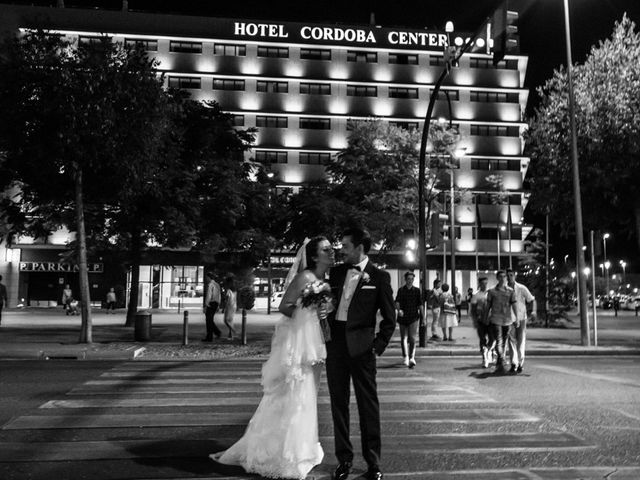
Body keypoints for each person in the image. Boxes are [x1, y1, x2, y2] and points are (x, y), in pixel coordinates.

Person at [211, 236, 335, 479]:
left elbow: (326, 309)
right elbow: (285, 306)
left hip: (314, 343)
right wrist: (307, 310)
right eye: (326, 249)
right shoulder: (305, 278)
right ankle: (284, 453)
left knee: (310, 394)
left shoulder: (323, 280)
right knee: (294, 395)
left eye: (331, 248)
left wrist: (324, 308)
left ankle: (305, 446)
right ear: (314, 256)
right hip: (299, 345)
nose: (332, 252)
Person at [326, 227, 396, 480]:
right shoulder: (335, 273)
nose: (341, 249)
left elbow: (390, 318)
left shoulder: (379, 277)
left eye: (345, 246)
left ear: (359, 248)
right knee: (338, 405)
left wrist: (377, 345)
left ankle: (373, 463)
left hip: (363, 349)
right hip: (335, 347)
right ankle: (344, 460)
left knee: (368, 406)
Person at [484, 270, 518, 374]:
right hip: (496, 319)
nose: (503, 278)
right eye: (501, 277)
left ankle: (500, 360)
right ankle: (502, 359)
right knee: (499, 341)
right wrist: (485, 317)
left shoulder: (511, 291)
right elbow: (488, 305)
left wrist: (516, 318)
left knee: (504, 341)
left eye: (504, 277)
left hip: (507, 320)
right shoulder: (492, 291)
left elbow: (514, 305)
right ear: (497, 278)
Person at [507, 269, 537, 374]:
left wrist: (533, 311)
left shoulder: (521, 288)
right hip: (509, 319)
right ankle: (513, 363)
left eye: (511, 275)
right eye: (507, 276)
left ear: (514, 276)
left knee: (521, 342)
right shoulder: (504, 289)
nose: (509, 277)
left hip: (521, 318)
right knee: (511, 342)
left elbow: (532, 299)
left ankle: (520, 363)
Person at [395, 271, 422, 368]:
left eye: (412, 279)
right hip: (403, 316)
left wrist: (423, 317)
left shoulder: (417, 291)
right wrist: (399, 310)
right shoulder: (401, 290)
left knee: (412, 338)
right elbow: (397, 302)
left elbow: (420, 304)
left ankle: (412, 357)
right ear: (405, 279)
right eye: (408, 279)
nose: (410, 280)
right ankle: (405, 356)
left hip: (413, 316)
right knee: (404, 338)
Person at [470, 276, 494, 368]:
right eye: (482, 283)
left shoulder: (490, 293)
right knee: (482, 339)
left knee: (492, 338)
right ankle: (484, 357)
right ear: (479, 284)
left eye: (486, 283)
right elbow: (473, 310)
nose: (484, 285)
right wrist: (475, 321)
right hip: (480, 321)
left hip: (491, 320)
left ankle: (488, 350)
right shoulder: (476, 295)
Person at [202, 272, 222, 342]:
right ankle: (216, 332)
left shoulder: (210, 285)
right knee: (210, 320)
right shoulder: (217, 284)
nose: (205, 279)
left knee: (208, 320)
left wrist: (206, 305)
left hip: (211, 303)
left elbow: (209, 295)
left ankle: (210, 337)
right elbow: (219, 295)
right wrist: (218, 304)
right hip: (216, 303)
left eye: (206, 277)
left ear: (209, 277)